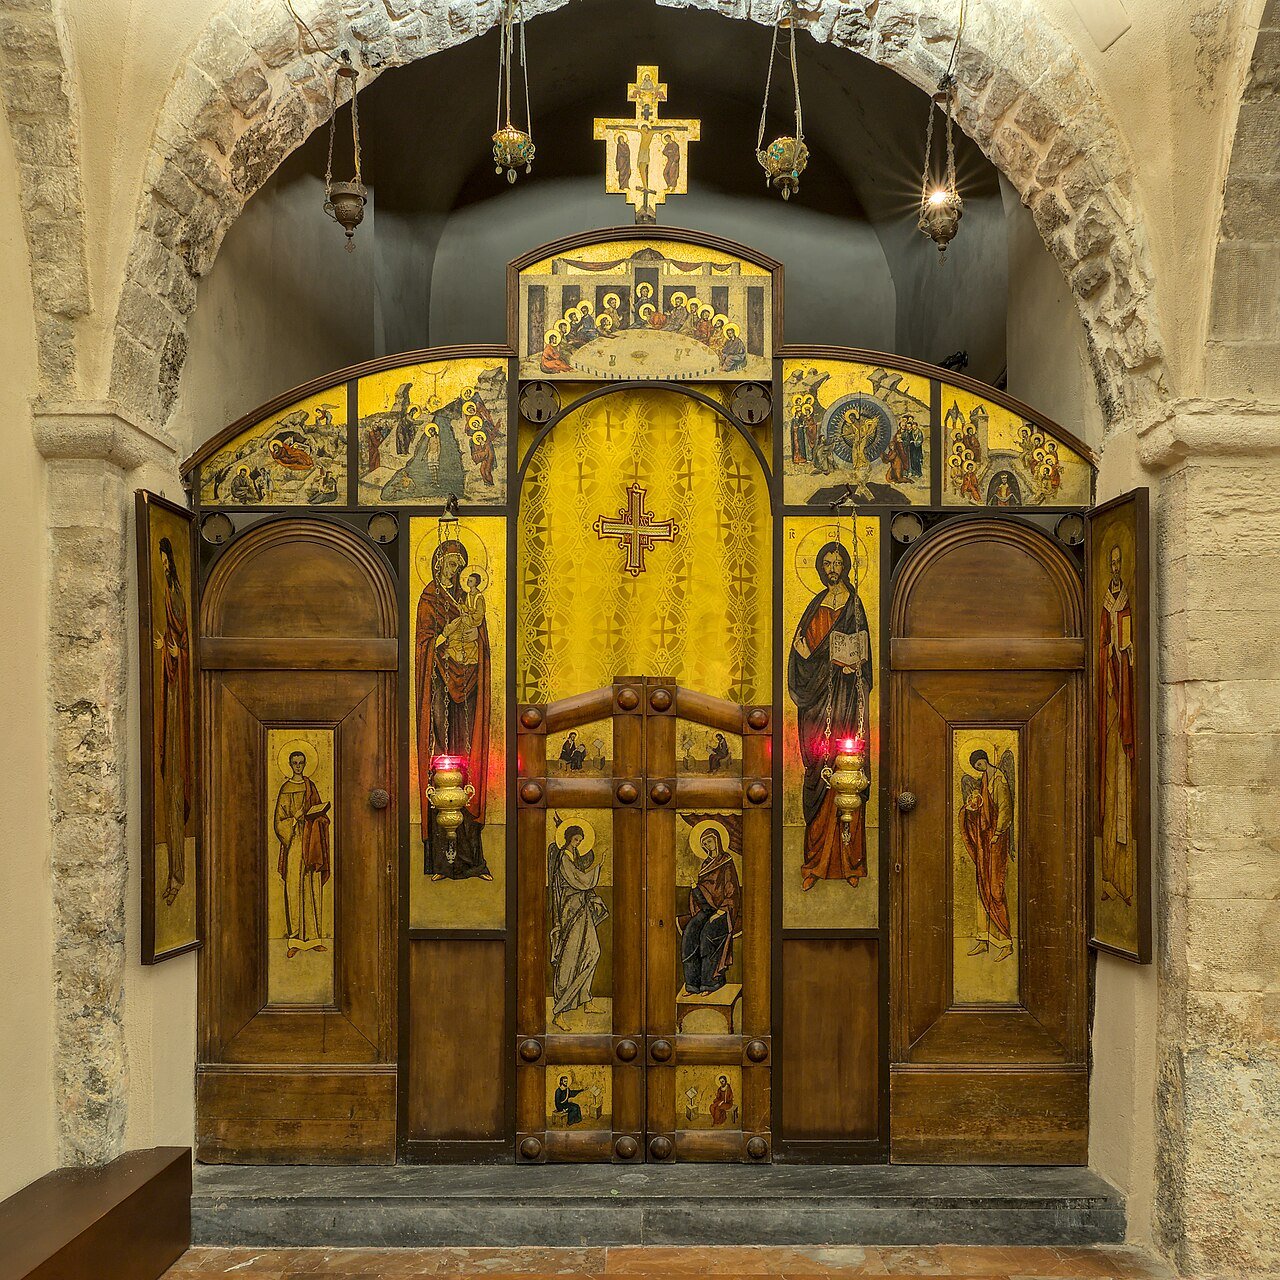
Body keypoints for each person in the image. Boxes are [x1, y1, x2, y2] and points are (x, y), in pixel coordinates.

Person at [787, 542, 874, 890]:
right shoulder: (814, 606)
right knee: (819, 770)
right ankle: (814, 865)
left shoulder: (855, 605)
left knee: (848, 770)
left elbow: (865, 653)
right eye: (828, 562)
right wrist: (805, 655)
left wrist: (857, 667)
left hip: (847, 700)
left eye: (839, 562)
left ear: (847, 565)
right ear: (821, 568)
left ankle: (851, 863)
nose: (833, 568)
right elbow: (802, 655)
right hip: (818, 702)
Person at [416, 539, 491, 880]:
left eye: (460, 565)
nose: (455, 570)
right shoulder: (430, 599)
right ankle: (439, 862)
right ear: (437, 564)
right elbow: (423, 646)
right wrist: (443, 638)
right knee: (442, 754)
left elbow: (482, 643)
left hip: (468, 685)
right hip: (438, 686)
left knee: (469, 761)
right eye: (450, 564)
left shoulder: (468, 599)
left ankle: (472, 860)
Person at [1098, 544, 1136, 906]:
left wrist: (1125, 651)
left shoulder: (1125, 601)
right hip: (1110, 696)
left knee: (1122, 783)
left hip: (1122, 697)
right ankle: (1108, 874)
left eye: (1118, 562)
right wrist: (1107, 651)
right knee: (1110, 783)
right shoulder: (1105, 605)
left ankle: (1122, 879)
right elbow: (1100, 645)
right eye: (1109, 563)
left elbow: (1130, 648)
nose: (1113, 569)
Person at [155, 537, 192, 907]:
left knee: (178, 782)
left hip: (178, 692)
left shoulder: (178, 595)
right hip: (171, 692)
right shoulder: (166, 593)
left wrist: (170, 650)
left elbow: (183, 643)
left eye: (166, 561)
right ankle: (174, 874)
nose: (164, 566)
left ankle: (178, 873)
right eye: (162, 561)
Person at [548, 823, 608, 1029]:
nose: (578, 844)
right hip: (571, 913)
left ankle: (585, 999)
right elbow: (580, 881)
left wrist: (594, 899)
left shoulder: (573, 858)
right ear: (568, 839)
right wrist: (599, 866)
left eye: (580, 841)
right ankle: (559, 1012)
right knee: (570, 959)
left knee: (592, 951)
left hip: (582, 910)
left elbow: (582, 884)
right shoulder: (564, 858)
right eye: (576, 840)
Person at [273, 749, 331, 958]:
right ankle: (295, 938)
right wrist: (294, 819)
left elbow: (320, 812)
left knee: (312, 885)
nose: (298, 766)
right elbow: (279, 822)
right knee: (294, 886)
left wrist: (319, 818)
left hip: (311, 841)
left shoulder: (310, 786)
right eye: (294, 762)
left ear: (305, 764)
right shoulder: (285, 788)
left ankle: (314, 938)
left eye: (301, 762)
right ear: (290, 764)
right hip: (295, 841)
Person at [960, 750, 1014, 961]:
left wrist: (998, 832)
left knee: (995, 888)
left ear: (985, 759)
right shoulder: (984, 779)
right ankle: (984, 939)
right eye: (975, 766)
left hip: (996, 840)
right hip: (985, 840)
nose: (978, 767)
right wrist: (971, 808)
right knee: (982, 885)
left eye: (979, 763)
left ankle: (1006, 942)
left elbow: (1004, 809)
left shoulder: (998, 779)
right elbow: (983, 810)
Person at [677, 823, 742, 995]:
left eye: (709, 841)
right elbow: (704, 894)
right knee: (690, 934)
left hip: (724, 909)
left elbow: (732, 889)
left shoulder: (726, 861)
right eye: (704, 843)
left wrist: (722, 910)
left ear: (717, 840)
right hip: (706, 910)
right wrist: (694, 887)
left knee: (708, 935)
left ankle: (710, 982)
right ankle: (693, 984)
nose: (707, 845)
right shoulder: (706, 864)